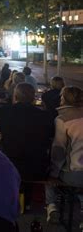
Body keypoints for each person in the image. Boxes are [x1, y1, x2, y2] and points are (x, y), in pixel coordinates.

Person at [0, 83, 54, 181]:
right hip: (36, 165)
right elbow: (49, 137)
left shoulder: (2, 112)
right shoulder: (44, 116)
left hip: (9, 162)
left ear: (15, 96)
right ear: (33, 98)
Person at [45, 86, 83, 223]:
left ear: (64, 99)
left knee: (48, 174)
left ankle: (51, 206)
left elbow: (58, 151)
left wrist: (53, 174)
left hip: (74, 174)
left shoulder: (62, 120)